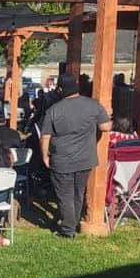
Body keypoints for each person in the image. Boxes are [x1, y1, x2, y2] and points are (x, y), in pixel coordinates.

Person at [40, 73, 111, 237]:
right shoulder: (93, 105)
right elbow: (106, 127)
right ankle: (73, 222)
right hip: (86, 159)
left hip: (61, 160)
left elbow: (45, 137)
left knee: (65, 195)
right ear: (77, 85)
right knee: (78, 193)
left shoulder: (54, 110)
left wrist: (45, 156)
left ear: (60, 89)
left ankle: (68, 229)